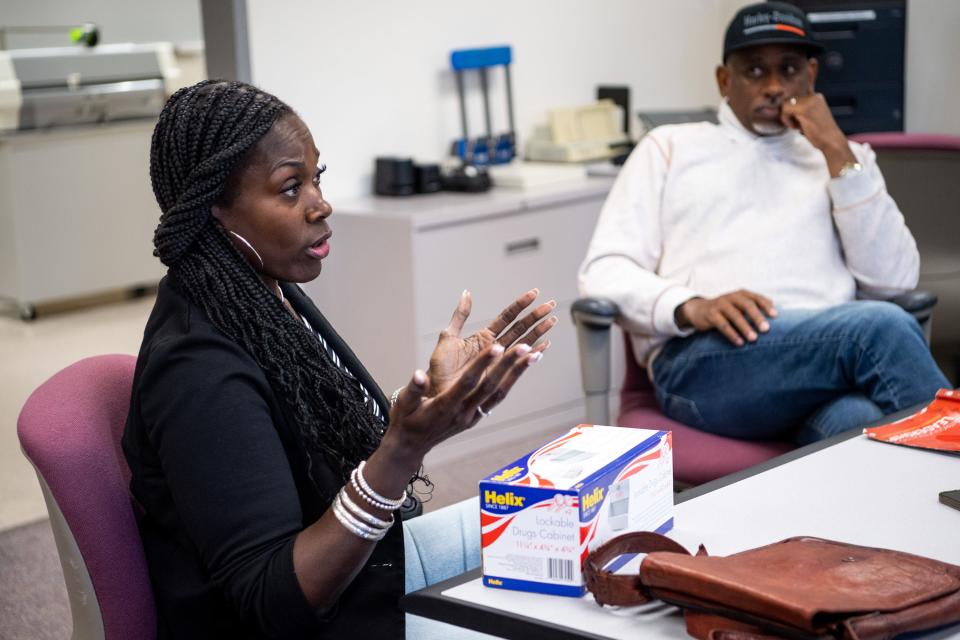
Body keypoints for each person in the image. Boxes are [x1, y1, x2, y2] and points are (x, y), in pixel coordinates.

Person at [122, 79, 557, 639]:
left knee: (552, 536)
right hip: (314, 622)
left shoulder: (260, 293)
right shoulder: (196, 367)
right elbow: (273, 601)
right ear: (214, 212)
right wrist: (404, 446)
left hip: (367, 574)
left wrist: (417, 407)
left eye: (316, 178)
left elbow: (315, 446)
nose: (320, 204)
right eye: (289, 188)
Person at [579, 1, 949, 445]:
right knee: (883, 327)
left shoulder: (844, 160)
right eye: (755, 71)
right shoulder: (670, 148)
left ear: (811, 76)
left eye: (789, 69)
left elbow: (894, 281)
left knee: (863, 422)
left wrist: (834, 147)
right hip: (707, 364)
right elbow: (602, 271)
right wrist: (691, 304)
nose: (774, 86)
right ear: (724, 80)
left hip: (824, 369)